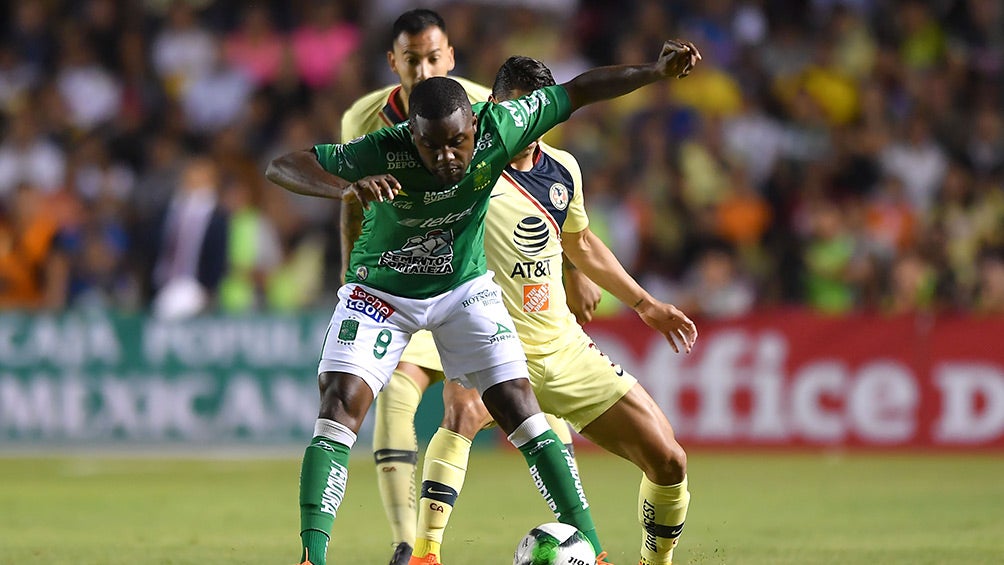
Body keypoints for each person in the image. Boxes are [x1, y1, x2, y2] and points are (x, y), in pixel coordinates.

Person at [264, 38, 700, 565]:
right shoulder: (383, 147)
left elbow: (583, 89)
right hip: (382, 293)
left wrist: (654, 71)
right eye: (432, 147)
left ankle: (594, 550)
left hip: (462, 291)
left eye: (457, 144)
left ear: (477, 126)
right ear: (413, 138)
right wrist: (348, 187)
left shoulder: (510, 130)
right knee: (339, 408)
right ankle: (323, 555)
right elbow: (284, 165)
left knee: (520, 407)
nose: (446, 157)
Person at [408, 55, 701, 565]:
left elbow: (581, 242)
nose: (527, 122)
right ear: (491, 108)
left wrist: (644, 303)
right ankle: (425, 554)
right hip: (492, 345)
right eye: (515, 110)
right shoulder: (463, 165)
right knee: (460, 413)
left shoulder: (563, 168)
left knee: (669, 460)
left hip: (563, 347)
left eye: (537, 111)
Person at [337, 10, 596, 565]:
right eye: (413, 60)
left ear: (450, 56)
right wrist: (351, 276)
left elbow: (542, 183)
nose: (424, 68)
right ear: (394, 62)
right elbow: (351, 197)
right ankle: (409, 546)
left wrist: (570, 271)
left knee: (501, 406)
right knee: (401, 399)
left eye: (433, 57)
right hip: (399, 281)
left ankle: (578, 535)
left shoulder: (484, 104)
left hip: (473, 280)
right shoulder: (362, 118)